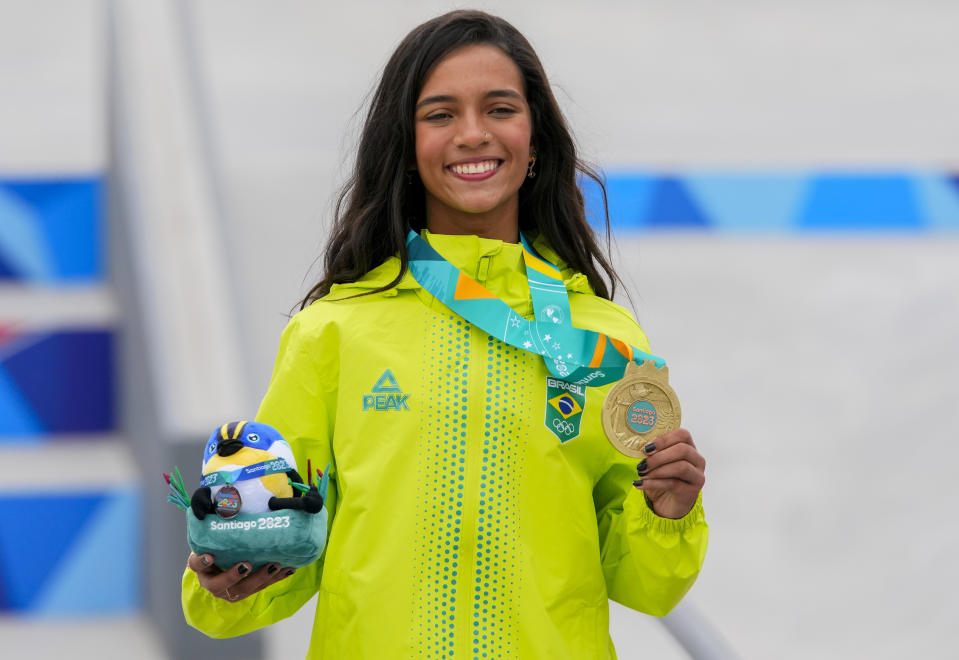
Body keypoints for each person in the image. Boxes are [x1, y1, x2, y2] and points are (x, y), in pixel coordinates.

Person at [182, 9, 707, 659]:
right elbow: (275, 556)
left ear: (534, 137)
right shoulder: (334, 333)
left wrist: (669, 510)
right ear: (404, 147)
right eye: (439, 115)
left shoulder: (600, 338)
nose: (472, 134)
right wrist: (228, 574)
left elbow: (644, 587)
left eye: (499, 109)